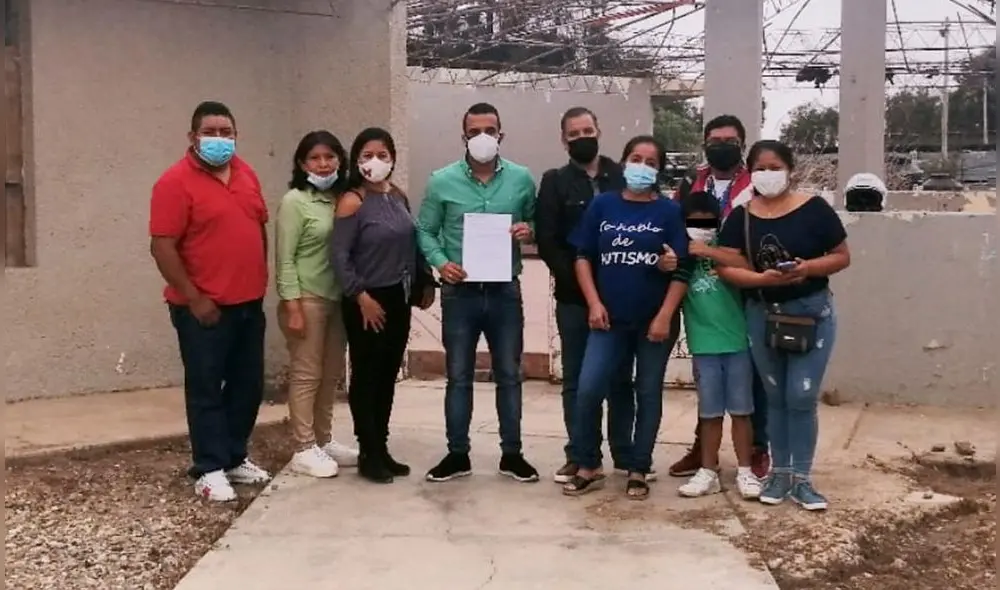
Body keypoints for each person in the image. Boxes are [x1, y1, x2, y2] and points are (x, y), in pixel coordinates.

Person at [715, 139, 851, 511]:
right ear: (750, 172)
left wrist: (807, 268)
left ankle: (802, 479)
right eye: (760, 167)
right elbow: (726, 266)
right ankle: (779, 473)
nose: (767, 174)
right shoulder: (741, 216)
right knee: (775, 397)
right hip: (764, 316)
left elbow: (841, 257)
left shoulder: (815, 209)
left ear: (790, 169)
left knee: (801, 396)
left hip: (812, 314)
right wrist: (762, 281)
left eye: (775, 167)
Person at [149, 101, 271, 501]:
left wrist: (261, 279)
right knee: (206, 388)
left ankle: (235, 456)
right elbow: (162, 246)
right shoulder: (174, 182)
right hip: (202, 309)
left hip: (248, 304)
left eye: (227, 132)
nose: (220, 139)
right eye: (211, 132)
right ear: (193, 137)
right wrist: (195, 297)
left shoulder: (246, 173)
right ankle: (209, 467)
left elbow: (257, 226)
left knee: (247, 386)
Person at [535, 106, 664, 484]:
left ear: (599, 130)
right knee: (578, 380)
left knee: (621, 380)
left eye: (587, 130)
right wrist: (584, 287)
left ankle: (624, 453)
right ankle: (580, 454)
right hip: (576, 300)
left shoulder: (624, 175)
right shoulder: (555, 181)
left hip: (623, 301)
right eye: (573, 134)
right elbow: (549, 241)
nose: (581, 138)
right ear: (564, 140)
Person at [563, 135, 692, 500]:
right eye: (636, 158)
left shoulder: (668, 211)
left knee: (648, 393)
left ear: (659, 170)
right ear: (622, 162)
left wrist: (665, 315)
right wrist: (593, 303)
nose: (642, 166)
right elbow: (583, 256)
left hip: (654, 324)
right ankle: (588, 463)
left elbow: (680, 267)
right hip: (608, 321)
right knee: (588, 390)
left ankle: (639, 466)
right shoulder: (603, 205)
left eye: (651, 162)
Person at [416, 102, 539, 483]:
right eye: (474, 131)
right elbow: (424, 229)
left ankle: (512, 454)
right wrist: (440, 262)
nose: (482, 137)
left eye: (490, 130)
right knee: (458, 376)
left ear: (501, 134)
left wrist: (527, 230)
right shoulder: (441, 181)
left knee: (509, 375)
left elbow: (535, 219)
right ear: (464, 136)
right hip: (460, 293)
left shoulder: (521, 178)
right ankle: (457, 454)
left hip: (504, 291)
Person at [332, 127, 437, 484]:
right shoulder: (352, 200)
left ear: (392, 157)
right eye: (366, 155)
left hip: (398, 296)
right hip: (366, 300)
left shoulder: (399, 196)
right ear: (356, 160)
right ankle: (368, 451)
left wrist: (424, 280)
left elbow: (413, 242)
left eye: (382, 154)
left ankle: (382, 446)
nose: (374, 161)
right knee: (367, 375)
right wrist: (360, 296)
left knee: (388, 375)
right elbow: (340, 255)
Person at [670, 114, 771, 481]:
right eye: (714, 139)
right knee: (708, 377)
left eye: (729, 140)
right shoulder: (689, 183)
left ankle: (758, 449)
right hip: (701, 287)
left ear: (742, 144)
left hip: (747, 283)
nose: (721, 145)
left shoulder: (755, 184)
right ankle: (703, 450)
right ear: (704, 143)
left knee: (753, 374)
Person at [274, 130, 359, 479]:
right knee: (307, 375)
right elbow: (284, 258)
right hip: (307, 298)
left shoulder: (342, 198)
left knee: (330, 375)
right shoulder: (295, 201)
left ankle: (323, 440)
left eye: (330, 157)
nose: (323, 164)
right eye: (315, 158)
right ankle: (303, 447)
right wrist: (292, 305)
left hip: (337, 298)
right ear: (301, 163)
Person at [675, 191, 762, 500]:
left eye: (706, 222)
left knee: (741, 411)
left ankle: (746, 471)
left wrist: (709, 252)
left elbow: (745, 264)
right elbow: (665, 269)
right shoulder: (680, 255)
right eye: (693, 222)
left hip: (737, 344)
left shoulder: (723, 250)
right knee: (709, 413)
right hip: (703, 346)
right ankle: (708, 470)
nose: (700, 227)